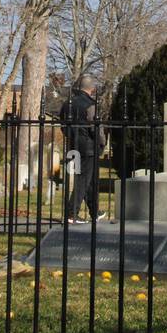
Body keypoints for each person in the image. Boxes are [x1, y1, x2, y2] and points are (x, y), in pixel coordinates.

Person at [62, 74, 106, 224]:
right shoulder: (90, 105)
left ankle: (95, 212)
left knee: (88, 180)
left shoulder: (67, 103)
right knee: (83, 179)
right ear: (92, 89)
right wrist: (102, 143)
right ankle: (71, 213)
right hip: (88, 146)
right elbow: (96, 127)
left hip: (73, 145)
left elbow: (63, 126)